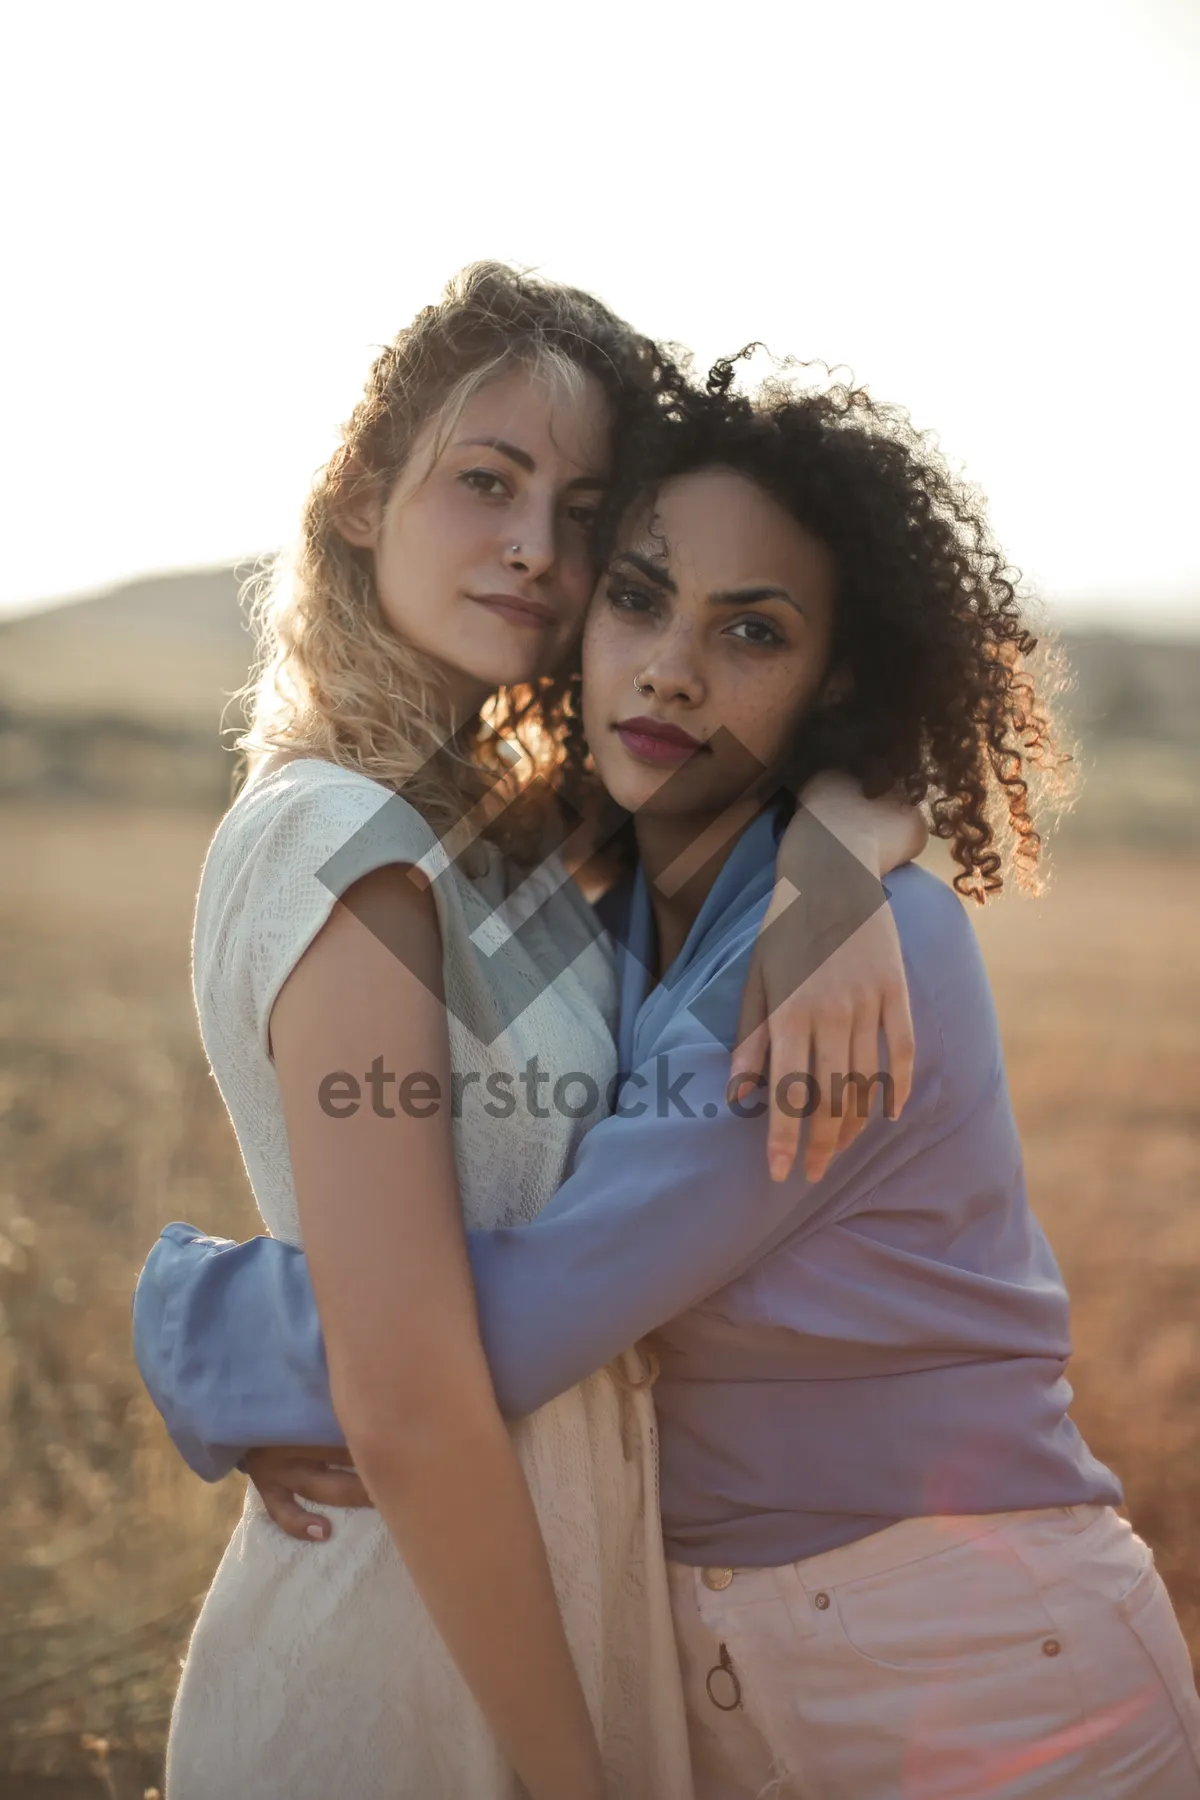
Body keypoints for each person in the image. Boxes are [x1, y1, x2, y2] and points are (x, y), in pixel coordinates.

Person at [138, 358, 1200, 1798]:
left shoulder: (840, 968)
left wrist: (192, 1322)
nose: (674, 669)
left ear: (834, 677)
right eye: (637, 598)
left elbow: (515, 1323)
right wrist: (849, 816)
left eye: (750, 632)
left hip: (990, 1679)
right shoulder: (622, 907)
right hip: (752, 1689)